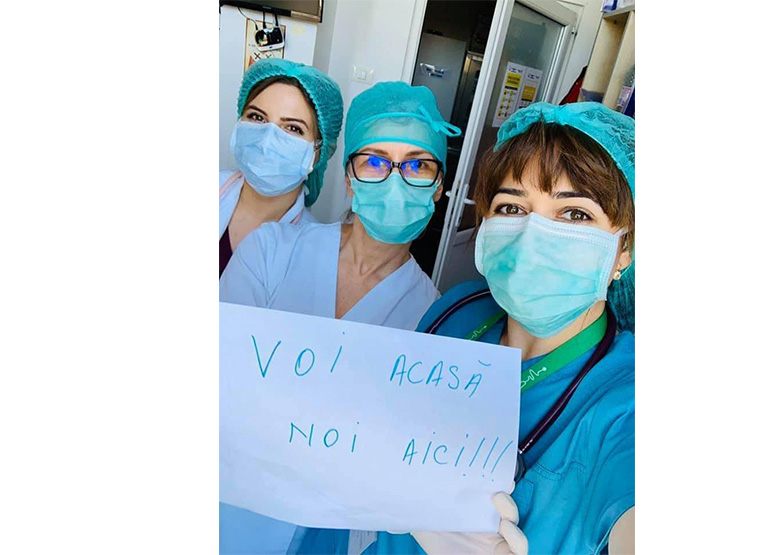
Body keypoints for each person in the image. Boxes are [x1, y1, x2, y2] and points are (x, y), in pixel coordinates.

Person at [301, 102, 636, 555]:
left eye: (575, 214)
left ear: (624, 249)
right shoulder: (458, 309)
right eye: (511, 207)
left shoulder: (625, 404)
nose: (533, 234)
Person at [220, 81, 461, 553]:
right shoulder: (271, 250)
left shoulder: (435, 320)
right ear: (349, 178)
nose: (395, 180)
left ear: (438, 188)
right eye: (374, 161)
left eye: (418, 165)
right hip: (227, 499)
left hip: (332, 529)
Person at [219, 58, 344, 277]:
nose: (267, 140)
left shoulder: (313, 251)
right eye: (257, 117)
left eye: (293, 128)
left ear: (319, 151)